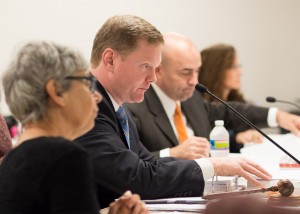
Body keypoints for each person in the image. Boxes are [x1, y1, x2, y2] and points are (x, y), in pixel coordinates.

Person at [76, 15, 272, 208]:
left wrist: (212, 165)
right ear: (110, 59)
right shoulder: (87, 106)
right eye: (145, 66)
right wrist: (214, 166)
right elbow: (137, 177)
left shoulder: (117, 106)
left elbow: (148, 162)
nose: (153, 78)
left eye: (155, 68)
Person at [0, 41, 148, 214]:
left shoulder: (11, 161)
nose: (98, 97)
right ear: (56, 91)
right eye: (87, 83)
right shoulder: (64, 156)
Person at [126, 33, 300, 159]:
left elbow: (228, 112)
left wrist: (277, 116)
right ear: (158, 70)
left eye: (197, 71)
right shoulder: (134, 107)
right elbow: (129, 164)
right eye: (186, 72)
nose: (194, 81)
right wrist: (172, 154)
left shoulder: (192, 99)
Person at [199, 43, 263, 152]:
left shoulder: (239, 102)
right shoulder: (201, 106)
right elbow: (205, 142)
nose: (240, 73)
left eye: (239, 66)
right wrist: (236, 138)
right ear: (215, 70)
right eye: (234, 67)